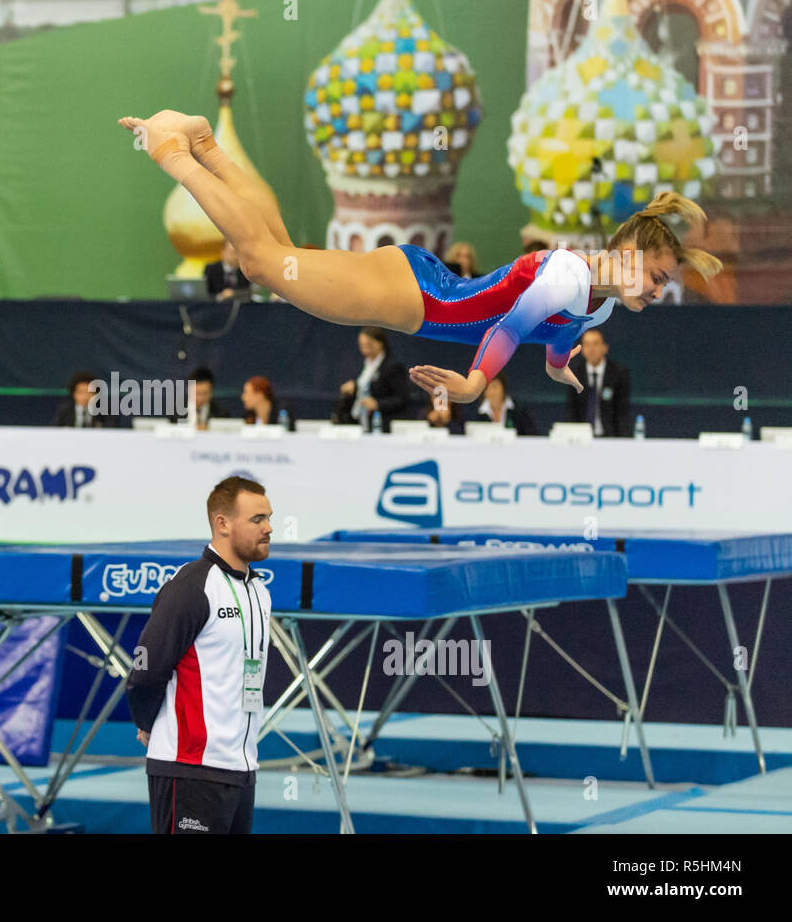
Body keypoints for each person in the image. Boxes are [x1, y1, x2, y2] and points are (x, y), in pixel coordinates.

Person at [117, 110, 721, 407]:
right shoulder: (568, 274)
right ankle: (174, 149)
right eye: (659, 276)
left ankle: (207, 146)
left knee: (277, 258)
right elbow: (509, 328)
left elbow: (559, 336)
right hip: (417, 298)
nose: (659, 290)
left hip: (421, 285)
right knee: (261, 263)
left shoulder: (599, 308)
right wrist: (475, 383)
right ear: (627, 253)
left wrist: (560, 367)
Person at [126, 475, 273, 834]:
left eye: (269, 517)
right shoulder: (192, 587)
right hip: (189, 768)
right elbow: (146, 666)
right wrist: (147, 722)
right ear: (222, 524)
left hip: (240, 769)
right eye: (257, 520)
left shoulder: (260, 592)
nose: (269, 528)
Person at [333, 326, 409, 432]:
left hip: (383, 424)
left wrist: (377, 404)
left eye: (368, 344)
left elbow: (402, 398)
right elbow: (365, 388)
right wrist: (354, 387)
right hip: (361, 421)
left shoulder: (392, 366)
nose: (364, 349)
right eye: (361, 345)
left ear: (380, 343)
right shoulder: (362, 365)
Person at [564, 328, 631, 437]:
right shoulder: (574, 373)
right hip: (582, 437)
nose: (591, 349)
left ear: (605, 347)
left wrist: (622, 441)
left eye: (595, 344)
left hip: (611, 437)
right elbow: (571, 409)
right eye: (586, 344)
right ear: (582, 349)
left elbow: (622, 411)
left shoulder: (619, 374)